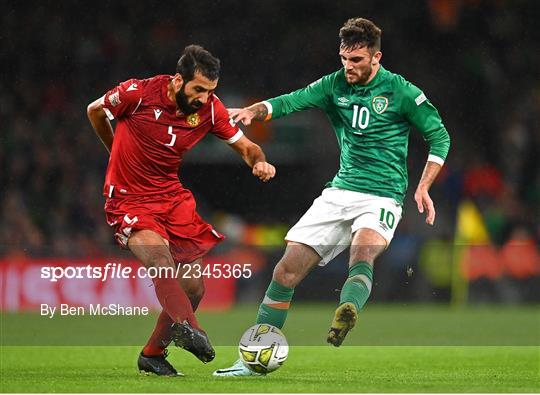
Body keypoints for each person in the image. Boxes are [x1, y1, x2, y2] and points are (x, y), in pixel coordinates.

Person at [214, 17, 450, 376]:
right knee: (285, 270)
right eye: (343, 58)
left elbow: (440, 137)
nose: (348, 67)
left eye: (356, 60)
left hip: (383, 196)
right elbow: (290, 101)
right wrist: (253, 110)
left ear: (376, 57)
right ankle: (253, 357)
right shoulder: (333, 85)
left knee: (363, 252)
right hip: (339, 192)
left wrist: (423, 185)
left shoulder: (402, 92)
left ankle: (347, 310)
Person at [86, 45, 276, 376]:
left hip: (172, 200)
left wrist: (259, 162)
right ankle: (193, 330)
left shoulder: (210, 110)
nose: (204, 98)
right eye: (198, 89)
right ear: (178, 81)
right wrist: (113, 148)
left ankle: (152, 354)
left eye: (210, 91)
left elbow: (247, 147)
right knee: (160, 260)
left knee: (193, 288)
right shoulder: (138, 93)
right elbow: (94, 111)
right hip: (129, 199)